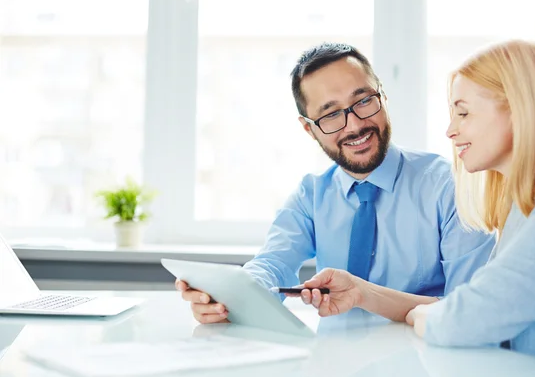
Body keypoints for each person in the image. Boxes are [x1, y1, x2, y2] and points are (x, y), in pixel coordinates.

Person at [299, 40, 535, 372]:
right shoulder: (523, 213)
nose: (451, 130)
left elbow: (463, 319)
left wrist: (427, 314)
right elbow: (473, 310)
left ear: (519, 109)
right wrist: (366, 293)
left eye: (464, 112)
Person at [177, 42, 495, 325]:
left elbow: (470, 309)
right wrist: (229, 298)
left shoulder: (451, 187)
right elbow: (272, 264)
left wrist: (364, 294)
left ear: (383, 95)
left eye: (364, 100)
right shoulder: (311, 195)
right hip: (332, 363)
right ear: (308, 129)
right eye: (330, 116)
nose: (355, 125)